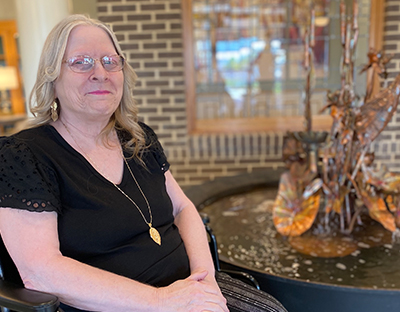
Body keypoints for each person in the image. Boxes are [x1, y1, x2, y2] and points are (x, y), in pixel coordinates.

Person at [0, 14, 287, 312]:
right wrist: (163, 301)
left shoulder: (138, 138)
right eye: (81, 61)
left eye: (111, 61)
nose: (100, 72)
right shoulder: (24, 155)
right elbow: (41, 272)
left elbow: (183, 208)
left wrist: (206, 281)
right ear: (52, 77)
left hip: (187, 287)